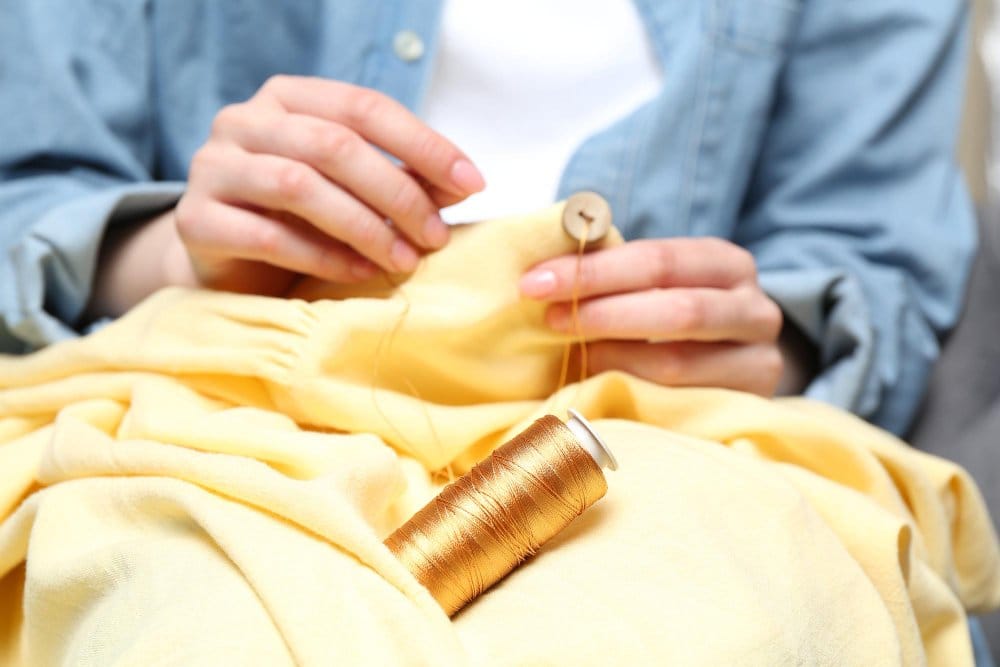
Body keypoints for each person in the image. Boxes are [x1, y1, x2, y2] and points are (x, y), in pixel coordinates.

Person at [0, 0, 974, 441]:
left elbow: (871, 250)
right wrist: (178, 249)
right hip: (214, 420)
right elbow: (25, 195)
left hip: (673, 453)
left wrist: (771, 347)